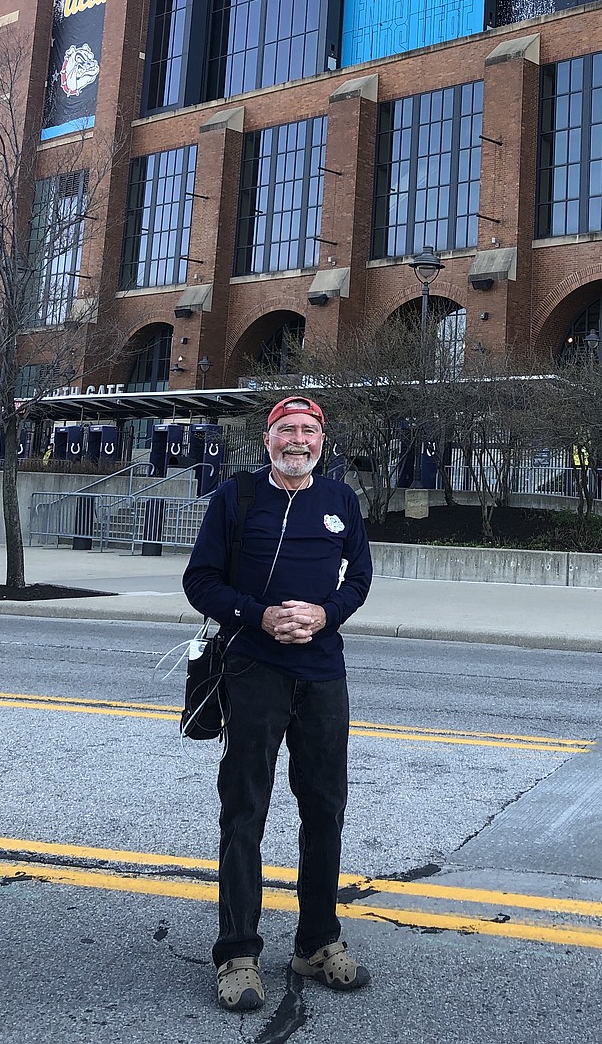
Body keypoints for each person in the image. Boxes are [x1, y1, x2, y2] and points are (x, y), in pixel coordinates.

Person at [183, 395, 373, 1012]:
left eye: (309, 430)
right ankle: (238, 952)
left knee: (324, 809)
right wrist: (259, 616)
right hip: (253, 668)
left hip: (322, 673)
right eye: (287, 429)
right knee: (245, 811)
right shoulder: (235, 499)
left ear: (323, 440)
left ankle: (317, 941)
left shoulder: (341, 501)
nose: (298, 439)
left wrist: (324, 614)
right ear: (268, 440)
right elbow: (200, 581)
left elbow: (360, 580)